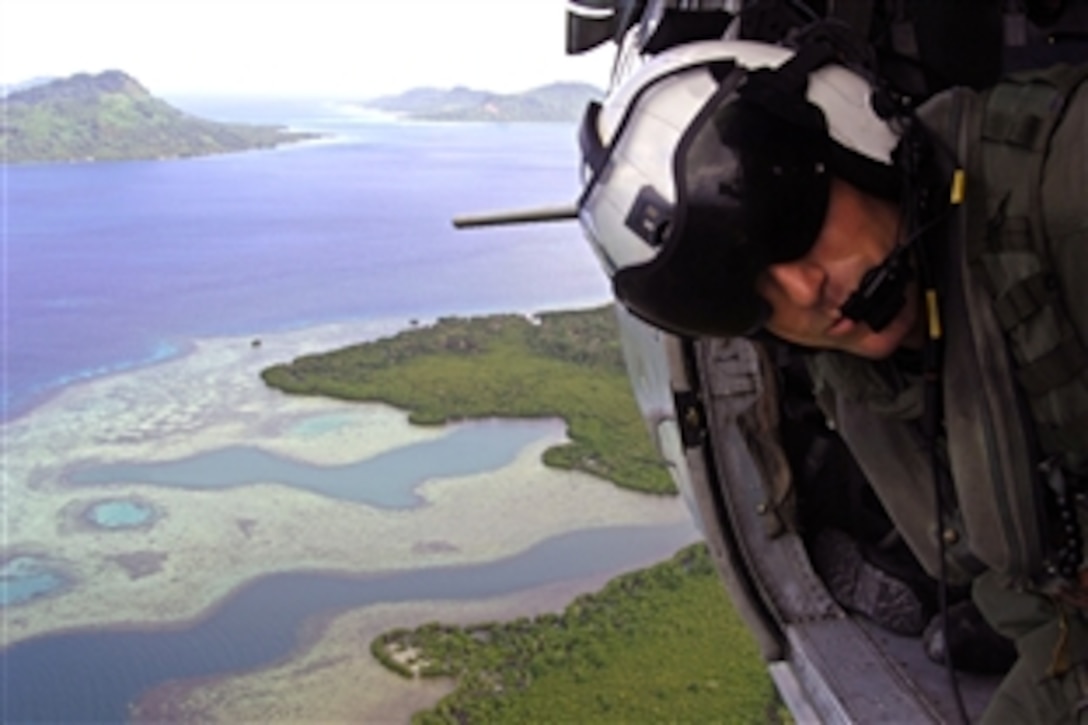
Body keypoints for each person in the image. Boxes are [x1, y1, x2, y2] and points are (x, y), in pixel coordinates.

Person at [576, 22, 1088, 724]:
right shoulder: (868, 386)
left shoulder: (1061, 191)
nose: (803, 291)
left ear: (851, 135)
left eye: (788, 220)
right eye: (751, 293)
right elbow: (1056, 637)